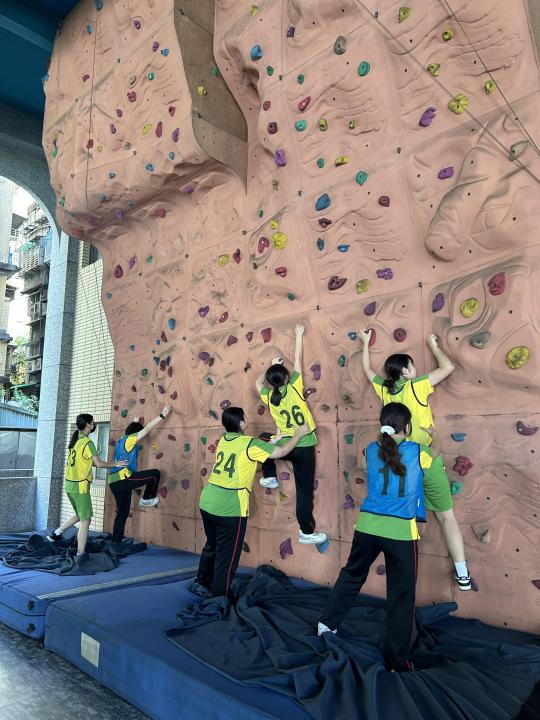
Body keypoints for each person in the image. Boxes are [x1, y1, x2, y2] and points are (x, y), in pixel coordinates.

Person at [318, 403, 434, 672]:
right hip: (400, 532)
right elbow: (427, 464)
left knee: (351, 574)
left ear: (381, 425)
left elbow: (383, 450)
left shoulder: (370, 450)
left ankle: (326, 624)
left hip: (367, 526)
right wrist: (428, 439)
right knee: (401, 595)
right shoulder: (421, 452)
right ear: (407, 427)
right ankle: (398, 662)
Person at [358, 330, 471, 590]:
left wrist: (364, 343)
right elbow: (448, 367)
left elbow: (366, 370)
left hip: (398, 465)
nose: (416, 369)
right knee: (446, 517)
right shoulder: (416, 385)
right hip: (425, 459)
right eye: (413, 366)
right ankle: (463, 574)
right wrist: (433, 344)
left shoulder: (385, 390)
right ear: (406, 372)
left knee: (404, 519)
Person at [194, 407, 309, 600]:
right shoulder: (250, 443)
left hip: (208, 501)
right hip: (230, 508)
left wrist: (270, 442)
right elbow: (282, 452)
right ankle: (219, 598)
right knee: (227, 557)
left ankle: (201, 582)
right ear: (241, 423)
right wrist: (298, 434)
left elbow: (245, 461)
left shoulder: (224, 440)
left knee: (211, 545)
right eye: (245, 417)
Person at [255, 324, 327, 546]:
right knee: (304, 491)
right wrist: (298, 335)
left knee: (263, 439)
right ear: (287, 378)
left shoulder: (269, 396)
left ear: (271, 383)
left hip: (285, 446)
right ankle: (306, 532)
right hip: (304, 445)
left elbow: (257, 382)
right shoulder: (295, 385)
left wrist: (270, 367)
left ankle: (269, 474)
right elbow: (297, 357)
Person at [47, 414, 128, 557]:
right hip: (80, 486)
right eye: (93, 422)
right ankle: (80, 554)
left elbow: (86, 462)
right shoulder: (87, 443)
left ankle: (56, 533)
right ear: (88, 425)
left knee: (80, 515)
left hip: (69, 485)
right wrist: (115, 464)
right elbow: (99, 464)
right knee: (86, 520)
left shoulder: (76, 441)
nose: (94, 425)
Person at [108, 403, 172, 543]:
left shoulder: (121, 441)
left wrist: (135, 422)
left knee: (122, 514)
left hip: (113, 482)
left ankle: (115, 543)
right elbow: (147, 429)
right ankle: (146, 498)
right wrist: (162, 415)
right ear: (135, 433)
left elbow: (132, 431)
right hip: (123, 479)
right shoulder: (130, 440)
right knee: (154, 474)